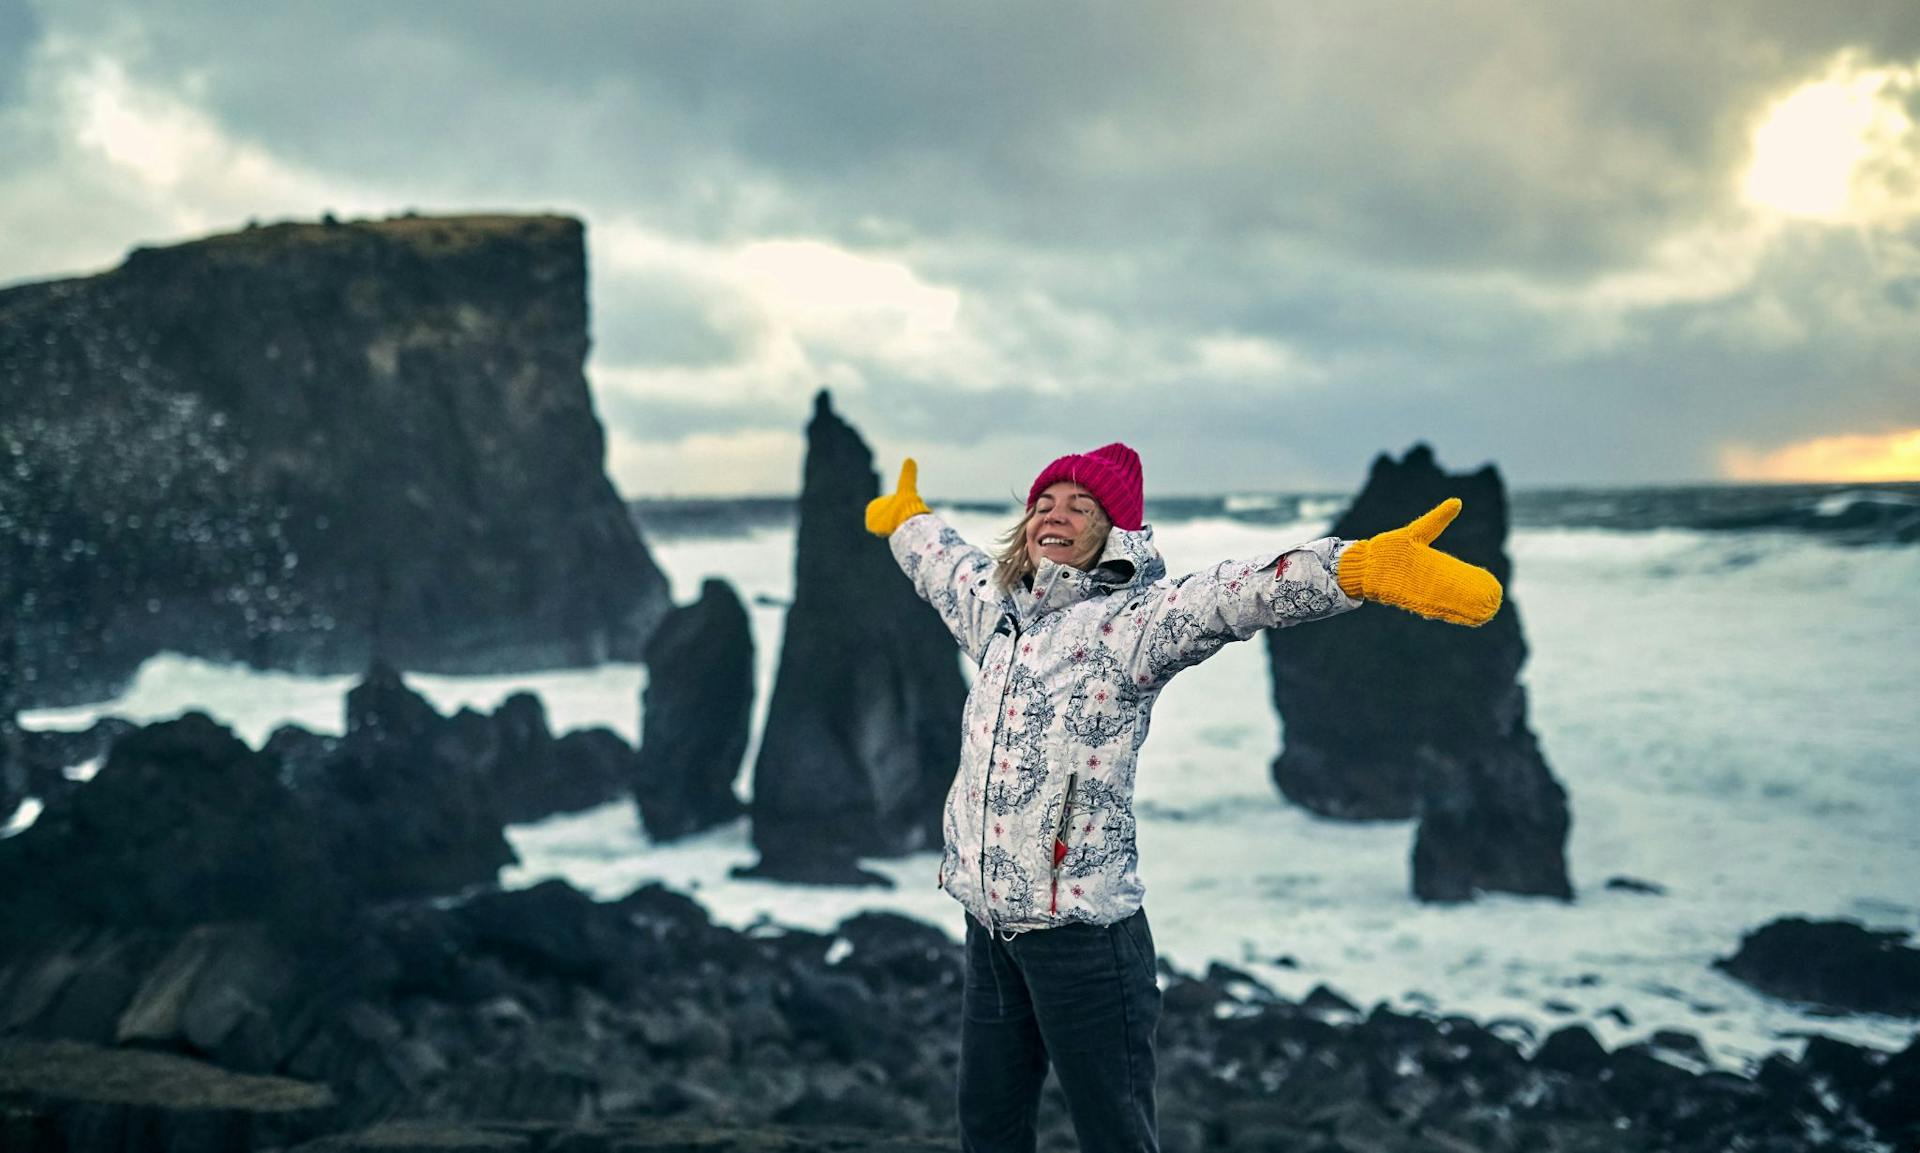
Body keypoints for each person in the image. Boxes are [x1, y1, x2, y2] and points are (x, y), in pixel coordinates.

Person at [864, 442, 1501, 1153]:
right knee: (987, 1125)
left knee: (1115, 1136)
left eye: (1081, 505)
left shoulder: (1135, 624)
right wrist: (905, 518)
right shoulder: (997, 612)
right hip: (990, 931)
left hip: (1085, 942)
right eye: (1044, 502)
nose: (1056, 514)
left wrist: (1357, 568)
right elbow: (941, 563)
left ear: (1115, 530)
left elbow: (1238, 594)